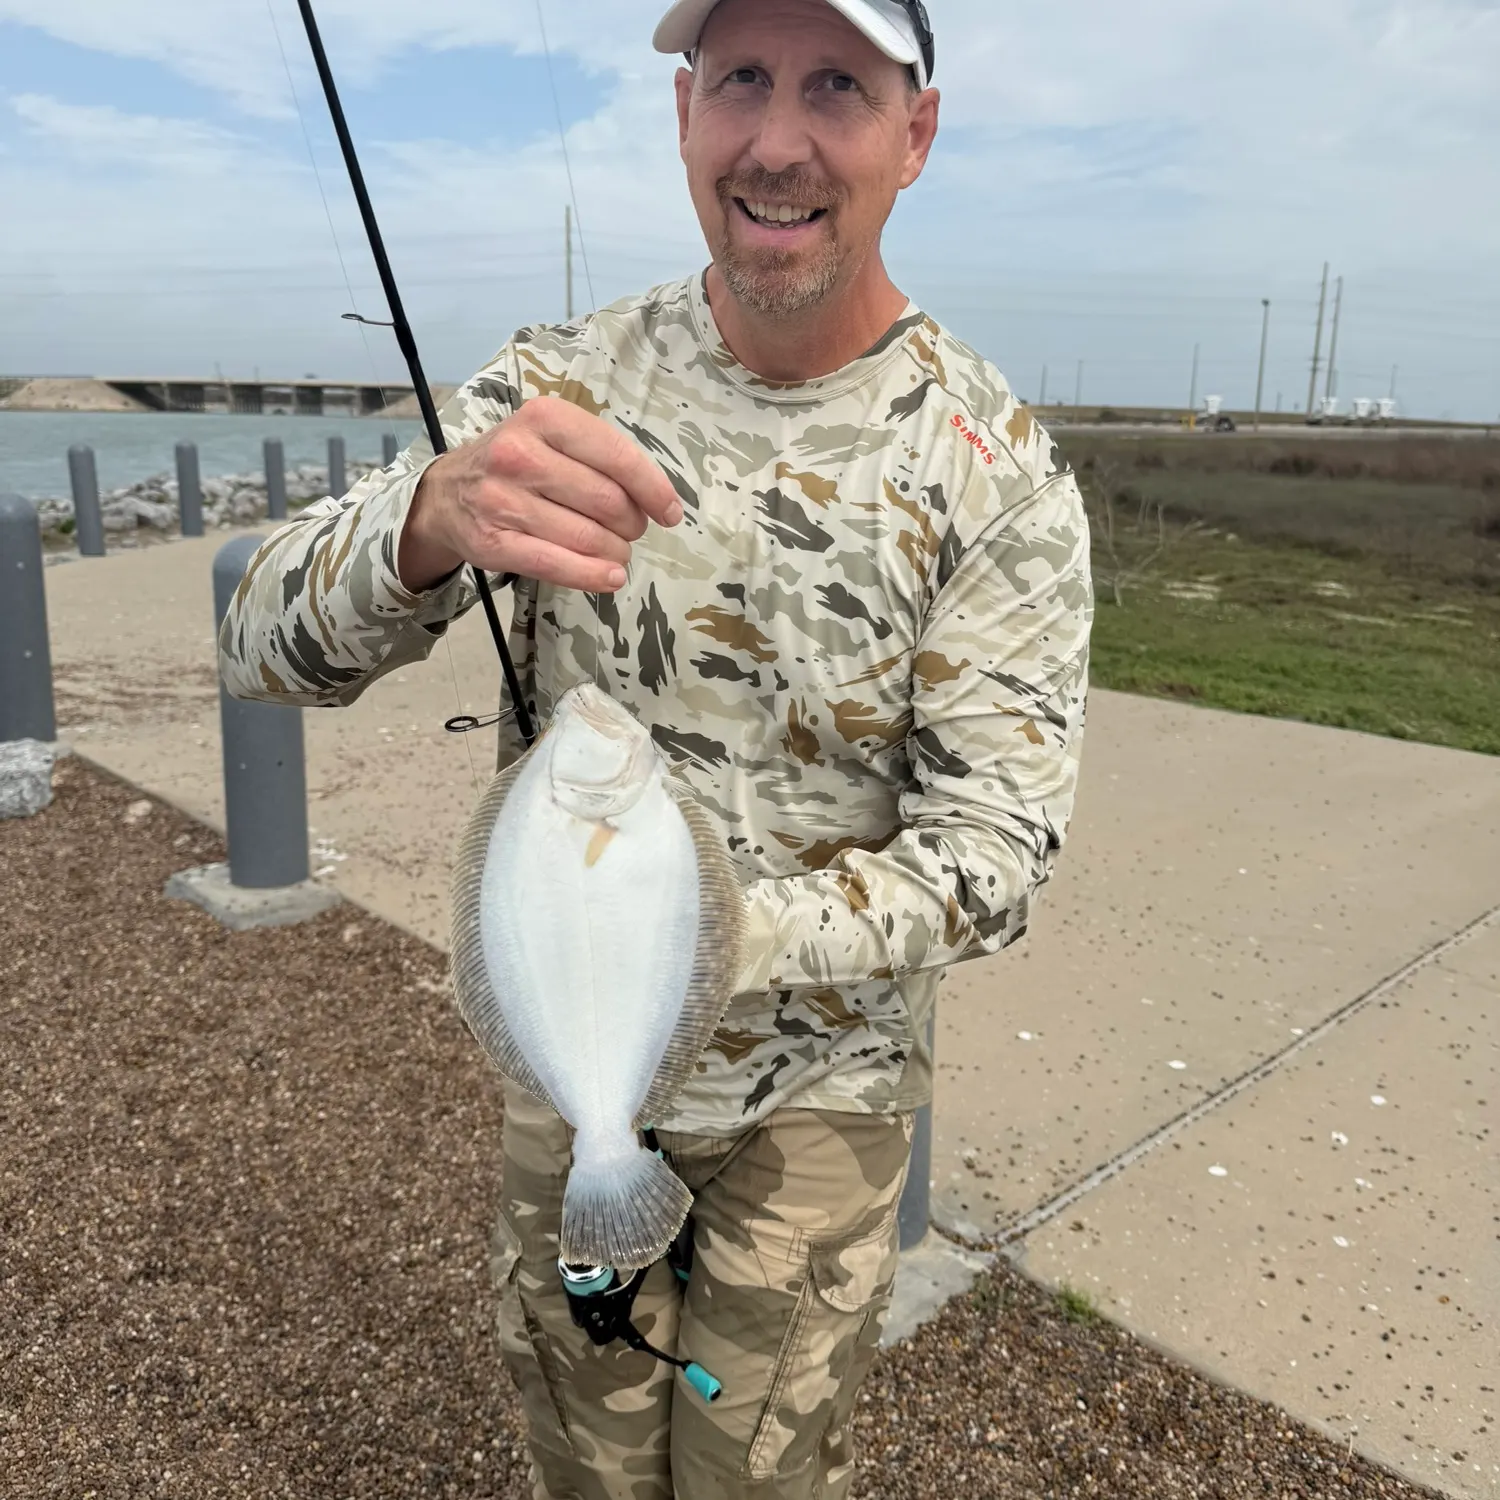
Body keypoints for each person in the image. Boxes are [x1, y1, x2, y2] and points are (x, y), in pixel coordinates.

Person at [219, 0, 1093, 1493]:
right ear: (683, 113)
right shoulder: (556, 392)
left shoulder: (991, 469)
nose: (777, 139)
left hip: (822, 1099)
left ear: (914, 135)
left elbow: (996, 858)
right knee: (588, 1462)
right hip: (573, 1073)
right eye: (740, 78)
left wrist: (713, 933)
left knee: (753, 1475)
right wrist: (430, 519)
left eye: (837, 85)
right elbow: (261, 649)